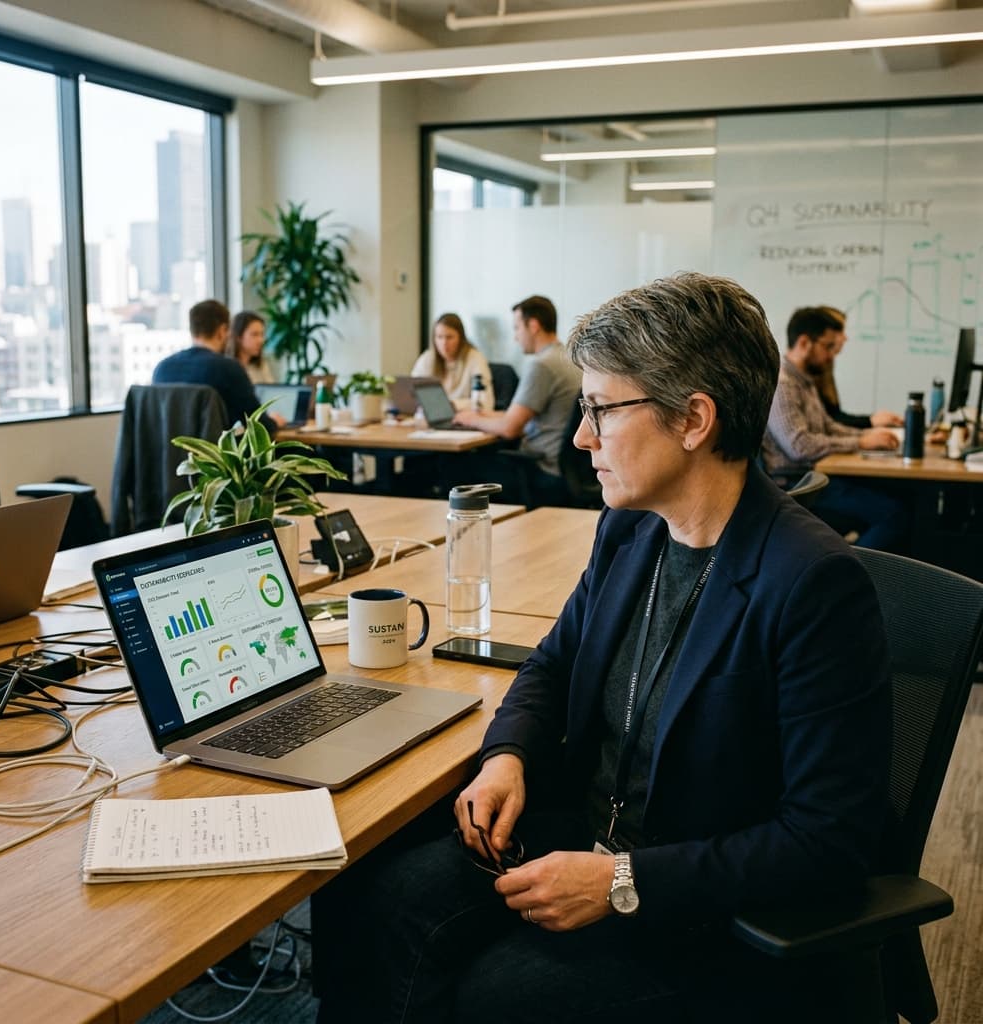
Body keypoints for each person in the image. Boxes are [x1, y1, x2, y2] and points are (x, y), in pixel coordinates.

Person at [314, 274, 891, 1024]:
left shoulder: (813, 584)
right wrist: (507, 756)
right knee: (383, 898)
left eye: (601, 410)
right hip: (584, 830)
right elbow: (552, 662)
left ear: (694, 420)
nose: (582, 437)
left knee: (498, 994)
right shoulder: (632, 529)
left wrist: (621, 879)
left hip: (698, 900)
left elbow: (830, 840)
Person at [762, 306, 908, 551]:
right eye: (828, 347)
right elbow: (799, 446)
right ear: (805, 342)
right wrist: (861, 443)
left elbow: (828, 427)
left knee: (902, 496)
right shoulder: (783, 382)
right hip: (799, 484)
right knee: (894, 515)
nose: (832, 356)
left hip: (817, 475)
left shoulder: (804, 379)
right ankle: (852, 576)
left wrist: (868, 435)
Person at [452, 295, 581, 505]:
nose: (515, 337)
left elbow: (510, 428)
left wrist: (468, 419)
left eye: (517, 328)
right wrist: (485, 415)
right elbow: (522, 414)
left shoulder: (542, 365)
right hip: (570, 470)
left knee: (455, 466)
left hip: (540, 468)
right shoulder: (568, 357)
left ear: (533, 325)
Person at [152, 299, 283, 429]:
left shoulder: (162, 368)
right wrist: (274, 422)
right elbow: (258, 423)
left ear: (192, 330)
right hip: (213, 449)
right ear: (222, 330)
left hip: (169, 449)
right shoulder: (228, 369)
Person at [813, 306, 901, 429]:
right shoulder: (812, 369)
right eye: (841, 332)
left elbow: (834, 416)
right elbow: (827, 423)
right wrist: (870, 422)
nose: (845, 338)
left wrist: (873, 420)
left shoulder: (826, 367)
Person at [411, 313, 494, 411]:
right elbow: (412, 393)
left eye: (449, 337)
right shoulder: (428, 358)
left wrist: (452, 405)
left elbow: (485, 403)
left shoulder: (475, 358)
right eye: (439, 337)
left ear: (460, 338)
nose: (444, 343)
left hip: (464, 420)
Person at [225, 310, 276, 385]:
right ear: (239, 337)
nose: (261, 340)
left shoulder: (260, 365)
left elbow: (272, 392)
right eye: (254, 334)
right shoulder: (226, 367)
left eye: (262, 334)